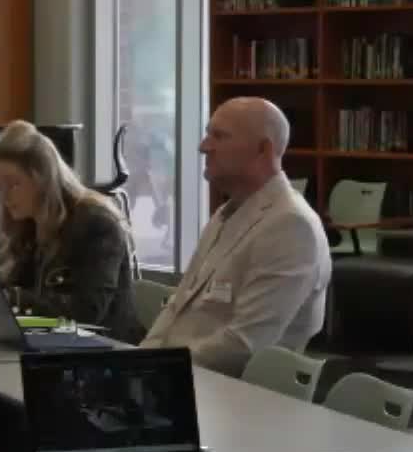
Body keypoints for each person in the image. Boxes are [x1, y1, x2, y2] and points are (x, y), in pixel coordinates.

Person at [142, 97, 331, 377]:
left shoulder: (291, 225)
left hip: (229, 393)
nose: (203, 146)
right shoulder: (226, 213)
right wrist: (137, 364)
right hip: (181, 379)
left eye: (219, 136)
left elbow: (243, 345)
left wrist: (152, 372)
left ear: (263, 150)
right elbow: (176, 307)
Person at [0, 119, 140, 343]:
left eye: (13, 184)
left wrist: (13, 299)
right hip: (52, 343)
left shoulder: (97, 224)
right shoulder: (27, 224)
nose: (4, 197)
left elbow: (87, 311)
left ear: (43, 179)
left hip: (105, 348)